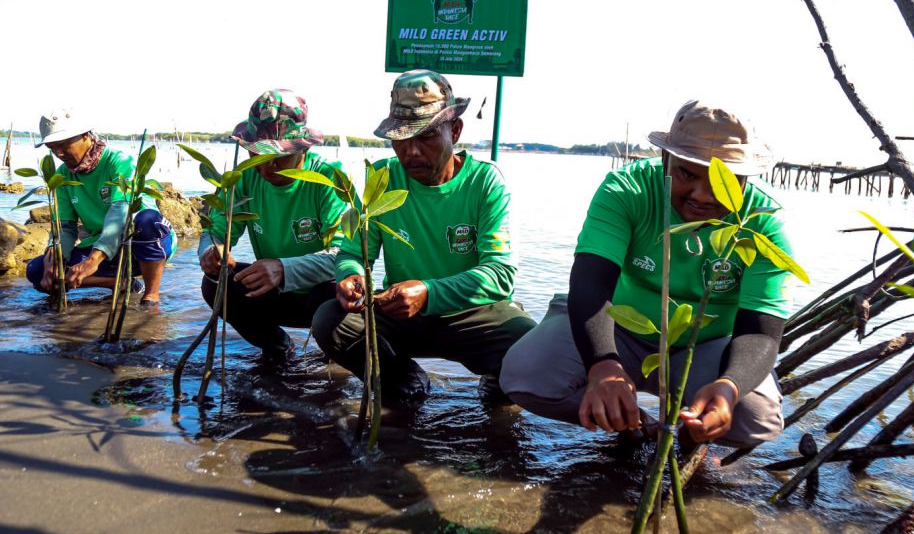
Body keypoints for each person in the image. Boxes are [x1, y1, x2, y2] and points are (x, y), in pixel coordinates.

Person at [501, 101, 793, 448]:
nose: (702, 194)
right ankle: (636, 423)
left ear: (744, 178)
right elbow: (591, 283)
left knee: (757, 420)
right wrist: (604, 367)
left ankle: (684, 431)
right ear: (665, 159)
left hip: (702, 346)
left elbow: (760, 332)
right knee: (525, 376)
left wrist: (729, 387)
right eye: (687, 174)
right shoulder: (626, 190)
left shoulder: (764, 223)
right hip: (618, 329)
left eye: (722, 180)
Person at [311, 69, 535, 401]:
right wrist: (351, 276)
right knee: (330, 319)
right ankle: (404, 380)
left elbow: (500, 276)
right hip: (400, 314)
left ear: (455, 130)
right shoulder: (383, 176)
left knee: (530, 348)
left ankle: (496, 382)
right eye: (401, 137)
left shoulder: (485, 183)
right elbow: (353, 253)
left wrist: (428, 293)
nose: (412, 151)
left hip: (470, 314)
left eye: (427, 136)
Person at [198, 89, 345, 362]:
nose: (266, 167)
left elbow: (345, 255)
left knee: (339, 302)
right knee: (215, 284)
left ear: (303, 147)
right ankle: (277, 346)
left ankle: (333, 358)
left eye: (277, 157)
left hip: (319, 294)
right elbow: (215, 230)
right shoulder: (244, 177)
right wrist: (211, 251)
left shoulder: (328, 178)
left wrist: (283, 269)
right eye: (259, 155)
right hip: (270, 292)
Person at [26, 110, 175, 307]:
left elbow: (120, 212)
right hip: (102, 246)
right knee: (37, 270)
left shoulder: (120, 161)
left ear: (86, 136)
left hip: (143, 241)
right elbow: (65, 226)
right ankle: (122, 284)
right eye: (52, 148)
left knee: (147, 220)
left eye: (63, 145)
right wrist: (54, 258)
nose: (59, 154)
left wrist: (93, 261)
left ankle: (151, 295)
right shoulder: (62, 176)